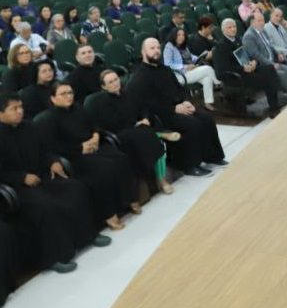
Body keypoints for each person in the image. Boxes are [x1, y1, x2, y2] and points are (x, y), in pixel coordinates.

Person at [0, 93, 105, 275]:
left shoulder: (29, 127)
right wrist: (21, 177)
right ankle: (57, 256)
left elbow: (45, 151)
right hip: (18, 188)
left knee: (76, 188)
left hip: (42, 176)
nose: (20, 111)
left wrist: (53, 161)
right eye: (14, 109)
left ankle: (87, 236)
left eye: (21, 107)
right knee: (45, 206)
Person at [125, 38, 226, 177]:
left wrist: (185, 101)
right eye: (151, 48)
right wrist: (173, 109)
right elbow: (146, 105)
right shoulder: (139, 78)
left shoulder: (165, 70)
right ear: (143, 52)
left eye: (157, 48)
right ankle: (189, 165)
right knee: (193, 124)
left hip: (178, 107)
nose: (156, 51)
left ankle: (212, 157)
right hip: (160, 116)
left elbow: (180, 89)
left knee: (206, 118)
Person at [43, 81, 137, 229]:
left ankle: (129, 199)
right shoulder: (48, 119)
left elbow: (94, 125)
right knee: (104, 169)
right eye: (63, 94)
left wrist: (95, 136)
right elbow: (54, 147)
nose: (68, 96)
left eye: (70, 93)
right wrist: (80, 147)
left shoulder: (79, 108)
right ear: (53, 98)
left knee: (121, 159)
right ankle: (109, 213)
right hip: (75, 156)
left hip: (93, 146)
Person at [91, 69, 174, 195]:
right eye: (110, 82)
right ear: (104, 86)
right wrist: (136, 124)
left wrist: (145, 118)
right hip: (121, 133)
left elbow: (143, 107)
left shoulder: (128, 93)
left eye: (116, 79)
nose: (115, 83)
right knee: (149, 137)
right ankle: (158, 134)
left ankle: (162, 179)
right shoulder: (102, 102)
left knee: (151, 140)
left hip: (139, 129)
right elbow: (112, 123)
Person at [214, 19, 284, 114]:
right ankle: (273, 107)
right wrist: (243, 68)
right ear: (223, 30)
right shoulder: (220, 47)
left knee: (269, 68)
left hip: (249, 69)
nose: (233, 29)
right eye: (229, 27)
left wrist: (254, 62)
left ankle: (275, 101)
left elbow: (249, 56)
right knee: (266, 78)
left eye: (234, 26)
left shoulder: (239, 40)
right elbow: (221, 71)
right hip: (237, 76)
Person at [242, 11, 287, 96]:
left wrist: (278, 53)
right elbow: (256, 55)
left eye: (263, 20)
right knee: (283, 74)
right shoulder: (248, 36)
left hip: (272, 60)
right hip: (263, 66)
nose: (263, 23)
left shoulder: (262, 31)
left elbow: (270, 45)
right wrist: (271, 64)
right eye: (259, 21)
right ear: (252, 23)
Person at [163, 27, 218, 111]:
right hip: (179, 75)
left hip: (189, 71)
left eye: (183, 35)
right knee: (208, 69)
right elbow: (167, 64)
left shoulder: (183, 46)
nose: (181, 37)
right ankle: (219, 83)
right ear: (173, 36)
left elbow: (191, 56)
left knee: (207, 78)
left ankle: (208, 103)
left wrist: (199, 57)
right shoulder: (169, 47)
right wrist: (185, 66)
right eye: (179, 35)